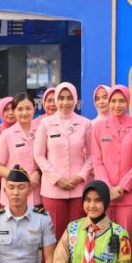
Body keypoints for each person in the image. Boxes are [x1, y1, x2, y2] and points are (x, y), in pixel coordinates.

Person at [34, 82, 93, 240]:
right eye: (61, 98)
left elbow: (93, 155)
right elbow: (39, 155)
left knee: (78, 236)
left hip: (79, 188)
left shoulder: (85, 123)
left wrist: (80, 176)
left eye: (69, 98)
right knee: (54, 236)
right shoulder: (45, 123)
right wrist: (57, 178)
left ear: (75, 99)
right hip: (53, 189)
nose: (65, 102)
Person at [91, 85, 132, 238]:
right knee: (103, 240)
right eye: (113, 101)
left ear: (128, 102)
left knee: (126, 240)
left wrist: (123, 187)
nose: (117, 105)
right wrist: (108, 189)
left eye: (121, 101)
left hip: (129, 195)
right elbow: (97, 160)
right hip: (103, 194)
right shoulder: (98, 127)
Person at [0, 93, 42, 205]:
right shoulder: (7, 134)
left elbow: (48, 158)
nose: (24, 113)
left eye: (28, 108)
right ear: (14, 111)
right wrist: (19, 177)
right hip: (12, 194)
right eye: (20, 109)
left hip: (37, 192)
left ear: (34, 109)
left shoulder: (41, 131)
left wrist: (39, 173)